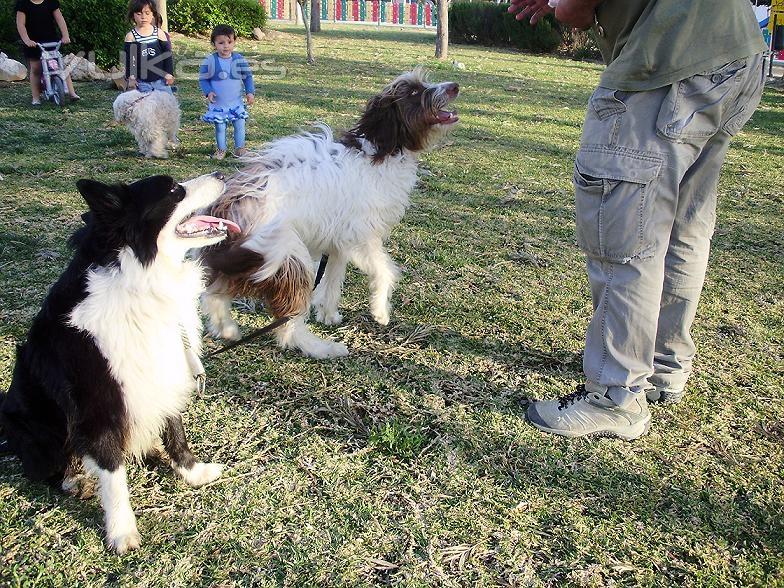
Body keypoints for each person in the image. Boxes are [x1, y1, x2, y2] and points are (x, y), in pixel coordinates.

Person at [508, 0, 768, 440]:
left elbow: (573, 10)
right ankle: (666, 368)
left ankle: (617, 397)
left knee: (625, 233)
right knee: (684, 223)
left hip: (669, 64)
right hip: (735, 53)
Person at [199, 24, 255, 160]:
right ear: (214, 44)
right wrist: (209, 92)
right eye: (221, 43)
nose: (226, 46)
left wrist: (250, 92)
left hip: (235, 102)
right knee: (220, 127)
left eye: (229, 42)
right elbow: (203, 79)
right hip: (219, 103)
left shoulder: (239, 59)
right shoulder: (211, 60)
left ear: (234, 42)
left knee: (239, 124)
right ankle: (221, 150)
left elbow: (247, 77)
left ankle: (240, 149)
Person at [15, 0, 80, 105]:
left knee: (60, 66)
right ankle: (36, 98)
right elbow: (20, 24)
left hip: (50, 40)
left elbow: (60, 19)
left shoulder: (50, 1)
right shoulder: (23, 3)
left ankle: (72, 93)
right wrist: (26, 40)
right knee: (36, 68)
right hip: (33, 42)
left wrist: (65, 35)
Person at [124, 0, 174, 93]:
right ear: (133, 15)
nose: (143, 17)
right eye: (139, 14)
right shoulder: (131, 37)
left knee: (167, 105)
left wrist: (169, 73)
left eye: (147, 13)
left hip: (161, 81)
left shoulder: (159, 33)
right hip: (142, 83)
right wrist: (131, 77)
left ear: (152, 14)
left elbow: (167, 55)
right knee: (145, 105)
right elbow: (130, 60)